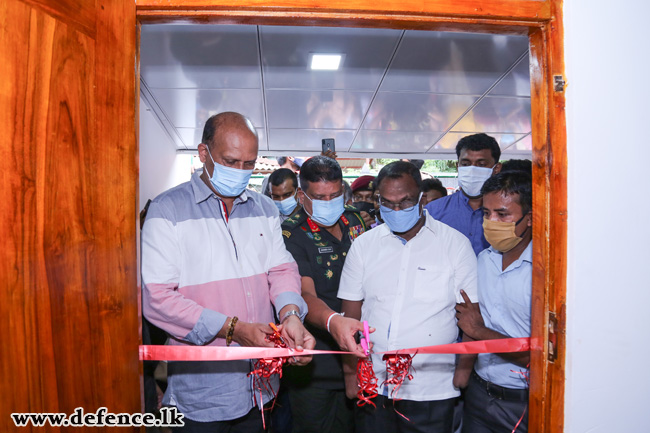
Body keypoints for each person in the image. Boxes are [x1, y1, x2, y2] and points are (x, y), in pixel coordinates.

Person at [142, 112, 314, 432]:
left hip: (261, 388)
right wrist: (233, 329)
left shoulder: (264, 209)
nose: (241, 172)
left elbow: (281, 269)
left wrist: (290, 314)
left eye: (249, 164)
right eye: (231, 161)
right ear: (204, 153)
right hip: (203, 395)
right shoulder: (167, 211)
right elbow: (157, 298)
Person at [337, 161, 478, 433]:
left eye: (405, 202)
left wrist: (463, 370)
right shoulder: (364, 245)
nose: (396, 210)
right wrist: (350, 372)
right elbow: (350, 317)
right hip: (374, 382)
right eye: (387, 203)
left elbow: (470, 314)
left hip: (431, 388)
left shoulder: (454, 245)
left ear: (422, 199)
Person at [281, 156, 370, 433]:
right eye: (320, 197)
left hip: (362, 353)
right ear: (301, 195)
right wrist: (334, 321)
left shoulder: (355, 220)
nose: (329, 203)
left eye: (335, 195)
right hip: (316, 361)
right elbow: (304, 294)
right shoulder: (291, 234)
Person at [455, 171, 533, 433]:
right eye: (486, 214)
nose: (491, 222)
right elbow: (472, 316)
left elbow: (538, 357)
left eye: (502, 214)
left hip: (523, 402)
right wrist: (463, 374)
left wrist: (479, 332)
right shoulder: (483, 260)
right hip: (479, 394)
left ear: (530, 218)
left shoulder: (546, 275)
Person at [425, 133, 502, 256]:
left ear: (496, 169)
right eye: (465, 164)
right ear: (458, 166)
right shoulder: (433, 211)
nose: (472, 170)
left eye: (481, 164)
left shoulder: (506, 213)